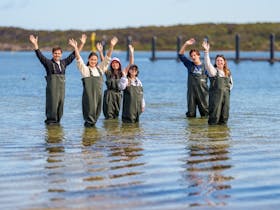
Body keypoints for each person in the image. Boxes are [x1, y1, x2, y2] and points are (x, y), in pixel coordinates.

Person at [29, 34, 86, 125]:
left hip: (61, 90)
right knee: (52, 105)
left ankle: (57, 125)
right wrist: (35, 44)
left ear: (61, 54)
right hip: (52, 91)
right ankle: (50, 123)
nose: (57, 55)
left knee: (60, 105)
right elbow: (39, 55)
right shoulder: (48, 63)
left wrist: (81, 44)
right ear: (52, 54)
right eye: (55, 53)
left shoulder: (64, 63)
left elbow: (74, 54)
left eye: (59, 53)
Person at [69, 36, 118, 127]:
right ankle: (88, 137)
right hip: (88, 98)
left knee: (96, 115)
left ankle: (92, 137)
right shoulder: (85, 70)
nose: (93, 61)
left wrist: (111, 46)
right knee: (89, 118)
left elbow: (107, 59)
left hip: (98, 97)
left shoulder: (100, 69)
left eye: (95, 60)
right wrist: (76, 47)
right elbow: (78, 59)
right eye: (92, 59)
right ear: (88, 59)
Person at [202, 40, 233, 125]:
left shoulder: (228, 72)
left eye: (221, 60)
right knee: (214, 117)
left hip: (226, 97)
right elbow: (207, 64)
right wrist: (206, 52)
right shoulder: (213, 71)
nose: (219, 62)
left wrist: (226, 90)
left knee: (224, 115)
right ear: (215, 62)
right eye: (217, 60)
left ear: (224, 62)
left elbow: (231, 84)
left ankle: (223, 135)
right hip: (215, 98)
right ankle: (212, 135)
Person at [100, 44, 135, 119]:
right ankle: (108, 129)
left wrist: (131, 53)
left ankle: (115, 130)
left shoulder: (123, 72)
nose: (115, 64)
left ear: (119, 64)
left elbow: (131, 64)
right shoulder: (108, 73)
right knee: (109, 115)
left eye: (116, 63)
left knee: (116, 115)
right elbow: (104, 63)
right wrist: (100, 52)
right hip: (109, 95)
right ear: (111, 64)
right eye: (113, 63)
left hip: (118, 95)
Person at [178, 38, 209, 118]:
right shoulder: (189, 64)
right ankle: (192, 130)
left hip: (203, 93)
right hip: (191, 93)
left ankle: (207, 130)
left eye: (195, 55)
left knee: (205, 114)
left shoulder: (206, 66)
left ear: (199, 55)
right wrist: (186, 44)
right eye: (191, 56)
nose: (193, 57)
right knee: (191, 115)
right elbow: (180, 55)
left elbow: (213, 78)